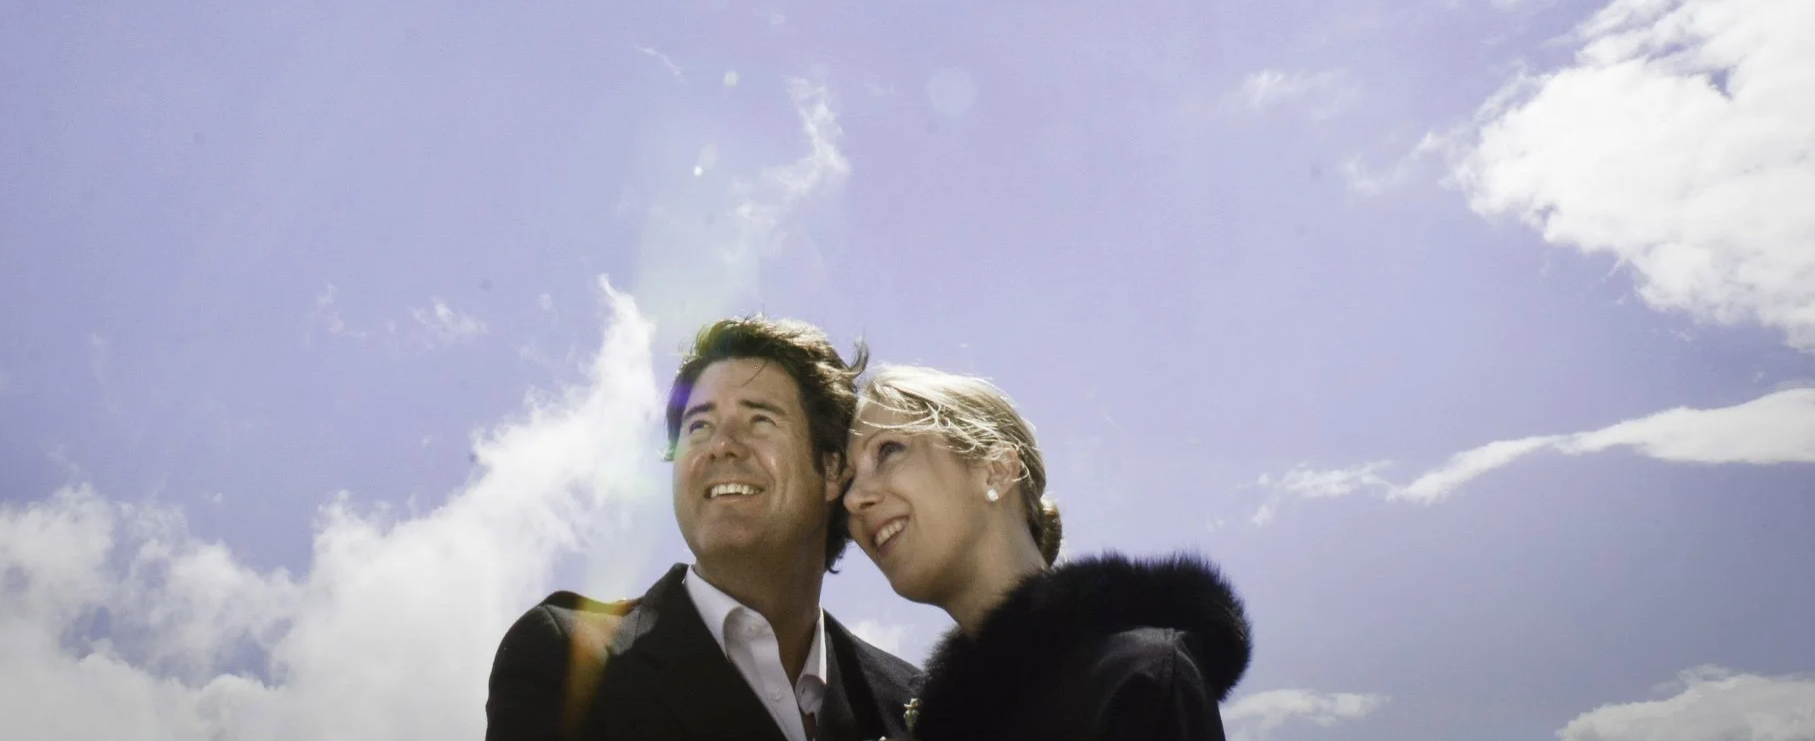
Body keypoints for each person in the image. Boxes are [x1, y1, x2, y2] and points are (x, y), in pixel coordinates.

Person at [486, 316, 921, 741]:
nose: (721, 446)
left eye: (759, 420)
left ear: (831, 469)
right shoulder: (567, 660)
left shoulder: (911, 702)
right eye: (699, 426)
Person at [842, 365, 1250, 740]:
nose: (854, 499)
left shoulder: (1138, 679)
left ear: (996, 470)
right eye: (848, 481)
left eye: (889, 449)